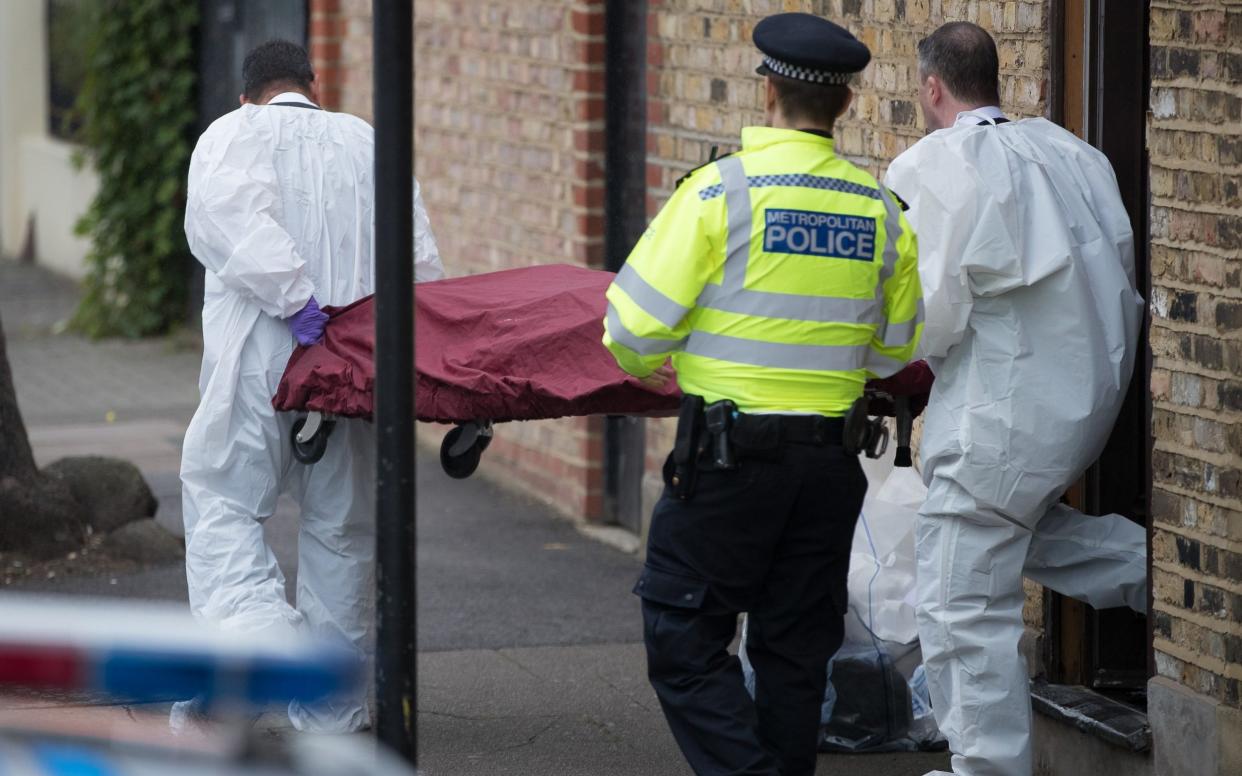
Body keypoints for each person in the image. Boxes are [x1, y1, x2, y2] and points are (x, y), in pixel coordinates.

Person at [603, 14, 922, 775]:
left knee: (682, 641)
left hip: (725, 464)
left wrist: (679, 352)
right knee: (792, 656)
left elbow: (630, 329)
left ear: (767, 90)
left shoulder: (719, 193)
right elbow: (895, 349)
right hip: (827, 471)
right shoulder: (880, 212)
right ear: (845, 105)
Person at [882, 22, 1147, 776]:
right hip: (1085, 400)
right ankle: (1178, 586)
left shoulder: (934, 166)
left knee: (958, 598)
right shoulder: (1072, 152)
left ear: (932, 87)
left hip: (999, 411)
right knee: (1018, 536)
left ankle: (987, 770)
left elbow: (929, 315)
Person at [175, 39, 443, 733]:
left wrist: (294, 301)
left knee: (224, 503)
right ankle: (332, 709)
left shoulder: (234, 133)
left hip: (263, 353)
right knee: (343, 533)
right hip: (355, 362)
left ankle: (259, 646)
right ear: (312, 85)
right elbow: (417, 260)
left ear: (247, 93)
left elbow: (223, 220)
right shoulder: (364, 141)